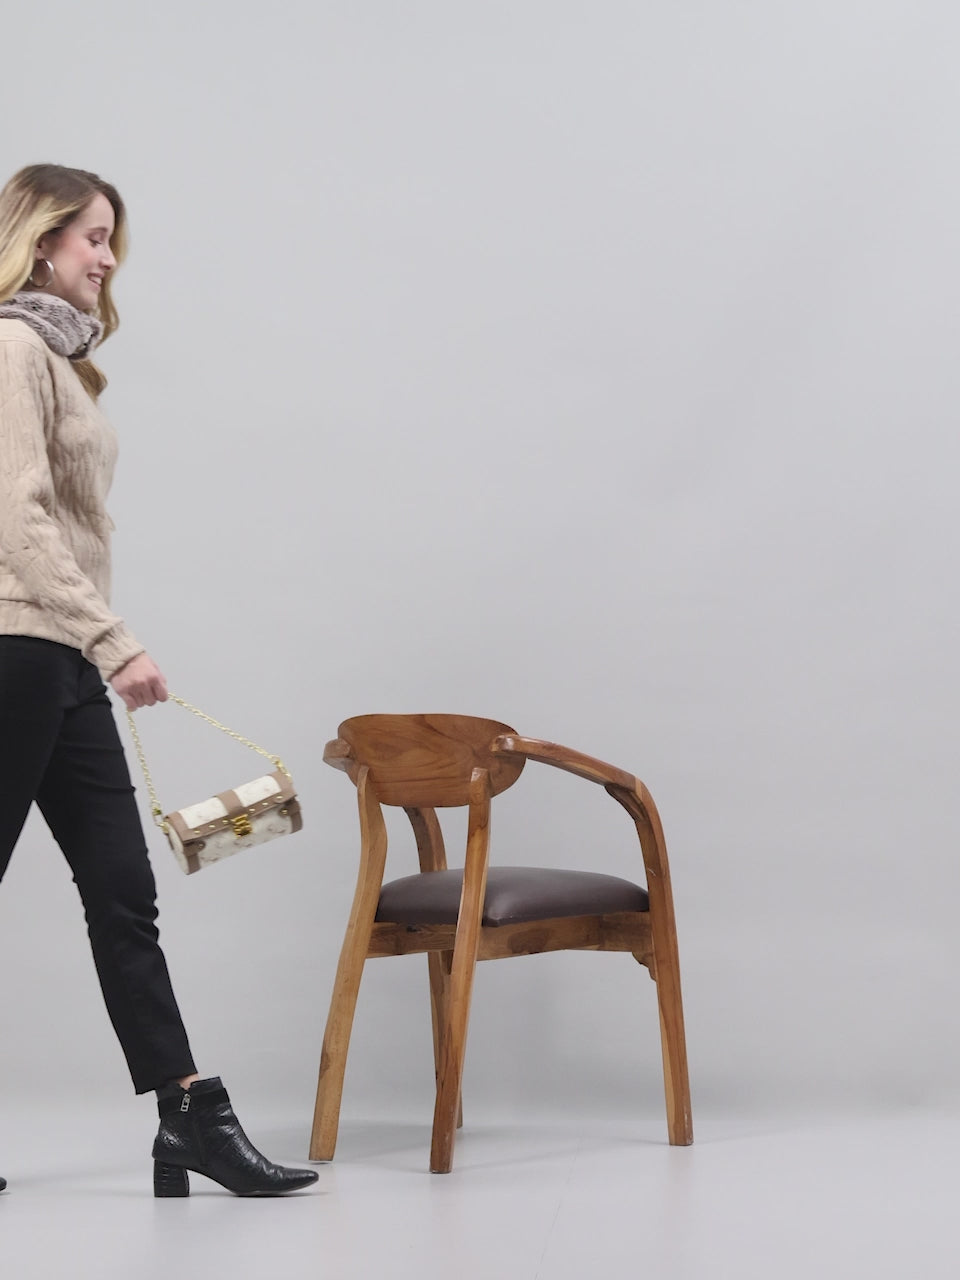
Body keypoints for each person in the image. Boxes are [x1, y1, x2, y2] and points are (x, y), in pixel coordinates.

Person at [0, 163, 317, 1198]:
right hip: (17, 648)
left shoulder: (59, 358)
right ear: (40, 238)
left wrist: (93, 644)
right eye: (93, 236)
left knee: (124, 893)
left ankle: (188, 1117)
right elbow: (16, 517)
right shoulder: (11, 346)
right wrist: (115, 639)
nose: (107, 258)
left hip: (61, 656)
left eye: (110, 239)